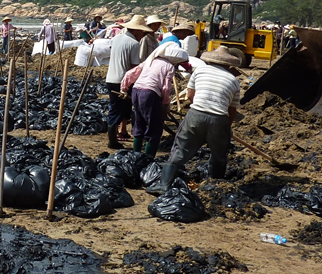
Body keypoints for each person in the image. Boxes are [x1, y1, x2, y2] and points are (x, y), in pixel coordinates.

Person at [149, 46, 242, 194]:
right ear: (228, 64)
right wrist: (227, 128)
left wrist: (198, 107)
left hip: (196, 114)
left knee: (180, 148)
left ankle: (164, 185)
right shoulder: (233, 80)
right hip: (219, 119)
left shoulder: (200, 71)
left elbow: (191, 95)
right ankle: (214, 188)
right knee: (219, 154)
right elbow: (232, 110)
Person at [124, 42, 190, 157]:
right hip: (150, 93)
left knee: (139, 123)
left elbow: (131, 73)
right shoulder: (168, 66)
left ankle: (136, 156)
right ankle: (149, 158)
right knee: (155, 128)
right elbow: (165, 88)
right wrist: (165, 104)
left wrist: (124, 87)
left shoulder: (150, 61)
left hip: (136, 90)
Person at [104, 14, 152, 149]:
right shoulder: (134, 44)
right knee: (123, 109)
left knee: (118, 107)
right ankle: (113, 140)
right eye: (142, 31)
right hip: (123, 80)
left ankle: (119, 134)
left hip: (110, 78)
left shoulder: (116, 38)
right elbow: (133, 68)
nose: (143, 35)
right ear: (136, 30)